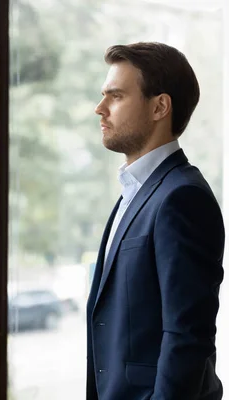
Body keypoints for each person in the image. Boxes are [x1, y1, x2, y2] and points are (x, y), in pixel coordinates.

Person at [86, 42, 225, 400]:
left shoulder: (182, 197)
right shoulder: (135, 192)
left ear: (160, 106)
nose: (99, 109)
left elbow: (187, 336)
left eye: (115, 97)